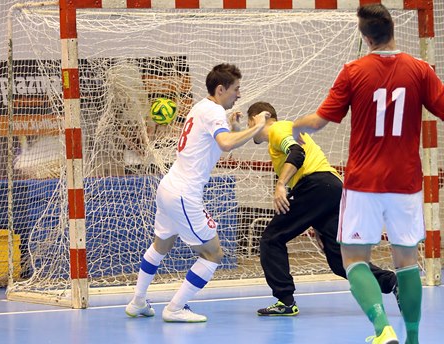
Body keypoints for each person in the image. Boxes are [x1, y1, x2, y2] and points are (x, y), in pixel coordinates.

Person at [292, 4, 444, 344]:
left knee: (354, 259)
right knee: (406, 261)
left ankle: (382, 328)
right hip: (405, 183)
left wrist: (295, 125)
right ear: (393, 31)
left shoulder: (353, 71)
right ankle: (414, 339)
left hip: (364, 183)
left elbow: (319, 121)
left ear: (365, 37)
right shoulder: (420, 70)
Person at [125, 63, 270, 322]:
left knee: (161, 245)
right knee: (213, 254)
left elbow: (220, 143)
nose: (239, 94)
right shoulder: (213, 112)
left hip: (169, 187)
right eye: (236, 89)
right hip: (184, 194)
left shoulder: (201, 107)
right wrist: (257, 126)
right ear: (221, 89)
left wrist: (236, 129)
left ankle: (137, 301)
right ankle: (175, 308)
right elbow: (225, 145)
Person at [246, 101, 397, 317]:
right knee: (338, 260)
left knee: (272, 238)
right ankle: (392, 282)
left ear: (260, 117)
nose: (251, 127)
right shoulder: (286, 131)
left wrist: (280, 185)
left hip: (315, 185)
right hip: (332, 188)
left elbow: (297, 154)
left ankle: (285, 300)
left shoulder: (278, 129)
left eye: (250, 121)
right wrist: (316, 220)